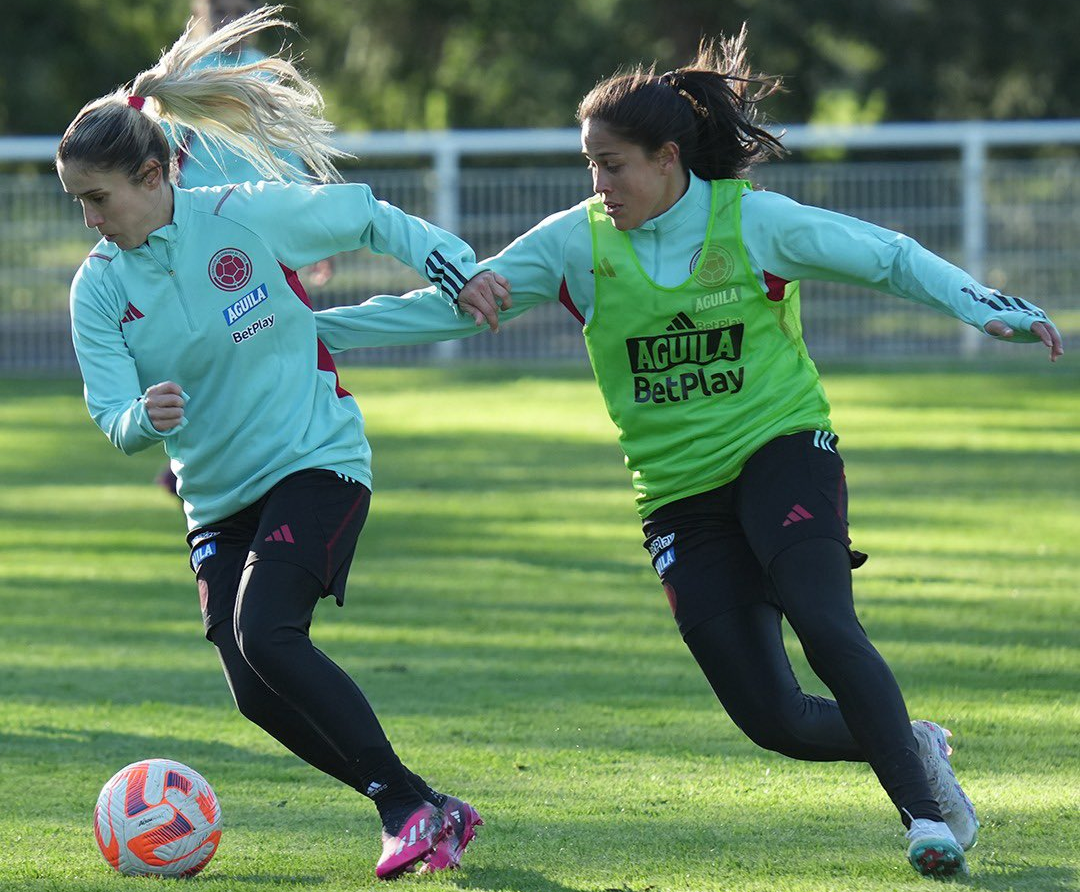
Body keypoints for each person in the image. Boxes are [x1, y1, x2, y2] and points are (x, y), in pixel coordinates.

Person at [309, 28, 1063, 880]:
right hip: (676, 494)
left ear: (669, 159)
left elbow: (886, 259)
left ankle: (923, 818)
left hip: (781, 448)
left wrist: (985, 307)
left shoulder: (755, 224)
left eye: (613, 164)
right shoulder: (574, 243)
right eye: (589, 165)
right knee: (770, 717)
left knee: (822, 618)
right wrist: (314, 329)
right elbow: (454, 308)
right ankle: (910, 743)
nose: (599, 184)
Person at [59, 6, 504, 880]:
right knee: (252, 689)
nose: (90, 221)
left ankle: (408, 809)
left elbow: (371, 216)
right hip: (216, 496)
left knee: (266, 630)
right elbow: (109, 416)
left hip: (316, 461)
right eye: (78, 203)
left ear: (154, 176)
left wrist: (456, 264)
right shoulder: (98, 290)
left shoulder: (245, 217)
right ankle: (421, 804)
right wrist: (141, 419)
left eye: (99, 199)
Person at [153, 0, 332, 499]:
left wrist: (314, 227)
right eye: (223, 8)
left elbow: (288, 152)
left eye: (241, 7)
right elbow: (160, 153)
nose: (231, 18)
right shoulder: (186, 73)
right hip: (203, 232)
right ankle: (204, 453)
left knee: (273, 343)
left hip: (266, 234)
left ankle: (288, 449)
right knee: (210, 346)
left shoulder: (264, 72)